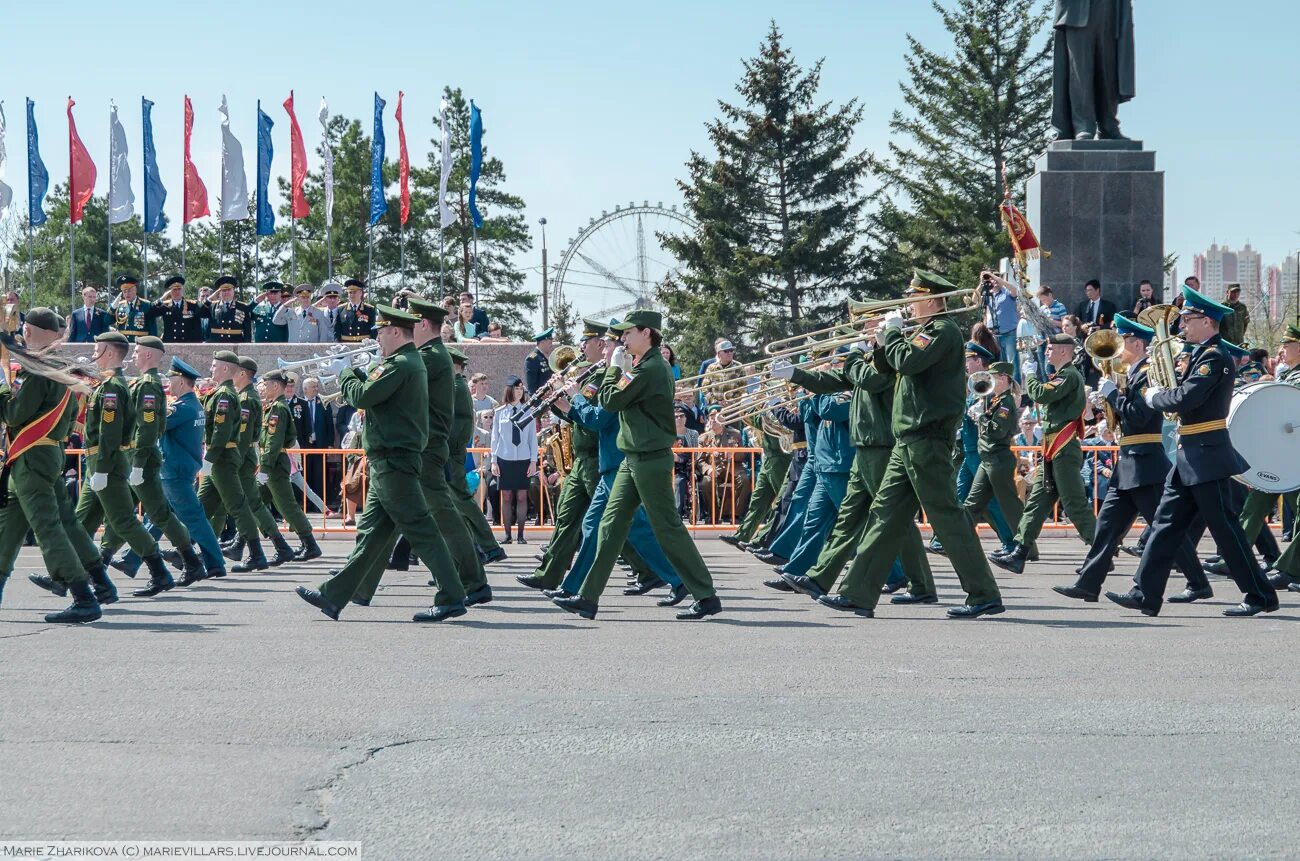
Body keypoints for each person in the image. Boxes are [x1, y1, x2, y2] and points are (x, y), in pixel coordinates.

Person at [788, 270, 1002, 619]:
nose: (907, 303)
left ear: (931, 299)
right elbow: (887, 366)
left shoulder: (942, 331)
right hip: (907, 440)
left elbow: (907, 360)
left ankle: (983, 594)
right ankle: (857, 593)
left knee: (947, 517)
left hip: (927, 437)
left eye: (913, 297)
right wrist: (874, 342)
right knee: (883, 515)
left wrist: (890, 333)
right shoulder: (917, 333)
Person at [295, 305, 481, 623]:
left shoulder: (403, 363)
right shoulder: (403, 363)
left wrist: (345, 370)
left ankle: (451, 595)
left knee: (421, 530)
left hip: (394, 459)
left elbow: (363, 396)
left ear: (395, 331)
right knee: (373, 534)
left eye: (381, 332)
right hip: (389, 459)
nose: (378, 339)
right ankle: (334, 595)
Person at [1104, 285, 1278, 616]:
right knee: (1165, 525)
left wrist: (1154, 396)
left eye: (1189, 318)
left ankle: (1260, 595)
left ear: (1208, 322)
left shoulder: (1214, 359)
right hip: (1190, 455)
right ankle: (1145, 592)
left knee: (1227, 532)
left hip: (1207, 455)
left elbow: (1186, 399)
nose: (1182, 323)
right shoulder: (1199, 355)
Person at [551, 309, 721, 620]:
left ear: (647, 334)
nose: (622, 339)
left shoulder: (651, 369)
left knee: (667, 529)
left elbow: (611, 402)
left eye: (628, 333)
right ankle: (588, 597)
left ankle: (706, 594)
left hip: (650, 459)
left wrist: (610, 373)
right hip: (633, 458)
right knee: (609, 525)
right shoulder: (642, 365)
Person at [1054, 314, 1211, 604]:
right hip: (1129, 462)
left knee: (1166, 530)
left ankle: (1198, 581)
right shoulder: (1131, 375)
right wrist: (1110, 400)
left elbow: (1140, 416)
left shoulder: (1149, 374)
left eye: (1123, 340)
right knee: (1106, 527)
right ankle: (1088, 584)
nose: (1118, 347)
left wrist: (1114, 396)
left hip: (1145, 463)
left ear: (1137, 344)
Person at [540, 321, 686, 604]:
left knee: (633, 528)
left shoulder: (621, 377)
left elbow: (599, 418)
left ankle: (679, 579)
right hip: (612, 463)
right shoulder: (610, 376)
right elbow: (595, 418)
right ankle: (574, 589)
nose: (604, 349)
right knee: (596, 527)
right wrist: (569, 407)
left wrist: (574, 398)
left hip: (620, 463)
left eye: (608, 345)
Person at [0, 308, 117, 623]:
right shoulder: (56, 367)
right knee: (12, 524)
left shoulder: (37, 370)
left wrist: (1, 386)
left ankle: (84, 597)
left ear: (34, 330)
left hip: (32, 457)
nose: (22, 332)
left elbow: (13, 415)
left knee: (48, 527)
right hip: (44, 453)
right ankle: (101, 582)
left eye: (25, 327)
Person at [95, 336, 206, 585]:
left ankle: (191, 562)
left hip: (141, 458)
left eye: (136, 350)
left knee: (159, 514)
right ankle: (100, 563)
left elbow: (146, 428)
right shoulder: (143, 384)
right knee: (121, 513)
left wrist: (138, 464)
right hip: (134, 456)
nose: (132, 354)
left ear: (147, 354)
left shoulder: (148, 385)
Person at [73, 332, 177, 598]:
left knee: (123, 522)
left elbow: (110, 432)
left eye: (97, 347)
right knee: (80, 522)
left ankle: (159, 572)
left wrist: (101, 470)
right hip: (99, 461)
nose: (94, 353)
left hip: (106, 464)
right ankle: (69, 576)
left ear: (108, 352)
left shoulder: (112, 387)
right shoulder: (107, 384)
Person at [114, 357, 228, 582]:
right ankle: (132, 558)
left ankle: (215, 563)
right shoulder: (192, 406)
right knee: (157, 516)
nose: (168, 383)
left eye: (172, 378)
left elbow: (152, 424)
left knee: (192, 518)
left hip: (175, 469)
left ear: (183, 382)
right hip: (177, 468)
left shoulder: (183, 408)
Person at [991, 333, 1098, 573]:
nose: (1046, 351)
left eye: (1050, 348)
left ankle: (1101, 551)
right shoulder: (1062, 375)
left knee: (1074, 504)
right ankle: (1020, 551)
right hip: (1052, 447)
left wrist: (1029, 373)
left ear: (1063, 351)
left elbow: (1042, 394)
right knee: (1037, 502)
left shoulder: (1070, 375)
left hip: (1064, 446)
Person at [518, 319, 605, 589]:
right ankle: (549, 575)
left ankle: (649, 570)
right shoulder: (588, 377)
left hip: (595, 456)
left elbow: (588, 418)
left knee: (612, 523)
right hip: (582, 458)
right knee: (566, 516)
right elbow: (571, 413)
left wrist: (573, 396)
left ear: (600, 345)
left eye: (586, 341)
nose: (581, 346)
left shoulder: (601, 378)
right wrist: (555, 398)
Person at [219, 356, 299, 569]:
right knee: (250, 503)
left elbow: (244, 438)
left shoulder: (247, 399)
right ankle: (245, 544)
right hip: (249, 459)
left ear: (242, 373)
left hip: (245, 460)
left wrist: (239, 460)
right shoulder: (249, 397)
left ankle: (276, 547)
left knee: (254, 504)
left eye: (234, 370)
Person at [196, 350, 269, 570]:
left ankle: (256, 554)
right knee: (201, 505)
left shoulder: (226, 395)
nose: (211, 368)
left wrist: (210, 457)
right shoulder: (221, 392)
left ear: (226, 368)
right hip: (219, 458)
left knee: (238, 506)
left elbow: (221, 430)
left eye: (214, 365)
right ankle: (192, 551)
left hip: (223, 458)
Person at [446, 348, 507, 564]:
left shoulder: (455, 388)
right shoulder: (456, 388)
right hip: (450, 456)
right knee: (449, 508)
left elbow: (462, 426)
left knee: (455, 506)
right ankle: (483, 550)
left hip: (450, 457)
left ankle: (484, 549)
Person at [256, 370, 322, 561]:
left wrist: (265, 469)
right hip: (272, 464)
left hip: (275, 465)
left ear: (275, 386)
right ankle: (258, 541)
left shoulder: (278, 409)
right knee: (254, 502)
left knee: (287, 506)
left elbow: (273, 442)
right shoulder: (274, 407)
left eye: (266, 384)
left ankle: (309, 544)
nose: (263, 388)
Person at [720, 413, 790, 548]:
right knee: (758, 500)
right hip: (769, 456)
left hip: (780, 457)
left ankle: (763, 539)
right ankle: (743, 535)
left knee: (781, 503)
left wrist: (753, 409)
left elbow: (770, 424)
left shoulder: (780, 404)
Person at [491, 376, 538, 543]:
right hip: (505, 457)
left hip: (523, 457)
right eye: (516, 388)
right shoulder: (499, 412)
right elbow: (495, 438)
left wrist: (533, 461)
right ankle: (507, 534)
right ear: (509, 390)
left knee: (522, 497)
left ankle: (520, 535)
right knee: (506, 496)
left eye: (521, 389)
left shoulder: (528, 411)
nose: (519, 392)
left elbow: (533, 438)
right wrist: (494, 461)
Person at [981, 271, 1021, 372]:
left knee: (1012, 364)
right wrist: (981, 282)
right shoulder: (988, 295)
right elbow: (974, 300)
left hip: (1009, 333)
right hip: (994, 335)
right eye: (992, 280)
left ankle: (1015, 386)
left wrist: (995, 277)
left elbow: (1015, 291)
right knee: (1000, 365)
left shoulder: (1006, 292)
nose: (995, 281)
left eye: (997, 279)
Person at [146, 275, 206, 342]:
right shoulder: (165, 305)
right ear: (169, 292)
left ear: (182, 290)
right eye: (174, 290)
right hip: (170, 342)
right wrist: (162, 298)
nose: (177, 292)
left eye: (179, 289)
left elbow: (203, 315)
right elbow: (150, 314)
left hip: (188, 342)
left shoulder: (192, 305)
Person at [699, 339, 747, 408]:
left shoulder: (739, 367)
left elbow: (743, 388)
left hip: (734, 407)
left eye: (731, 350)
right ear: (719, 354)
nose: (729, 353)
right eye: (726, 351)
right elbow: (704, 388)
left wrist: (732, 401)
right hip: (715, 407)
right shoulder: (711, 368)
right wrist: (715, 402)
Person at [204, 276, 252, 342]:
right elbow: (199, 312)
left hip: (235, 343)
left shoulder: (242, 307)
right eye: (223, 290)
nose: (226, 292)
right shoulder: (212, 306)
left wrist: (246, 347)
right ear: (219, 292)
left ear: (233, 291)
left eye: (229, 290)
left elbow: (247, 331)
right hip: (216, 343)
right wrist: (210, 298)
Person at [108, 274, 155, 341]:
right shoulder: (119, 306)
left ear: (135, 290)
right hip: (123, 343)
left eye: (129, 291)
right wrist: (113, 307)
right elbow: (107, 321)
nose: (127, 294)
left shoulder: (146, 305)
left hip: (141, 343)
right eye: (124, 292)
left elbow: (152, 328)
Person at [334, 278, 377, 343]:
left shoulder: (369, 309)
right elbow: (337, 331)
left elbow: (373, 330)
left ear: (361, 293)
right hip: (346, 345)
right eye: (350, 293)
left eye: (354, 292)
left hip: (364, 345)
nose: (352, 295)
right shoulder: (340, 309)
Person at [524, 328, 555, 394]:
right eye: (550, 343)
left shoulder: (547, 357)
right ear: (542, 342)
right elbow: (532, 388)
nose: (551, 346)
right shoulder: (532, 359)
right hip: (541, 400)